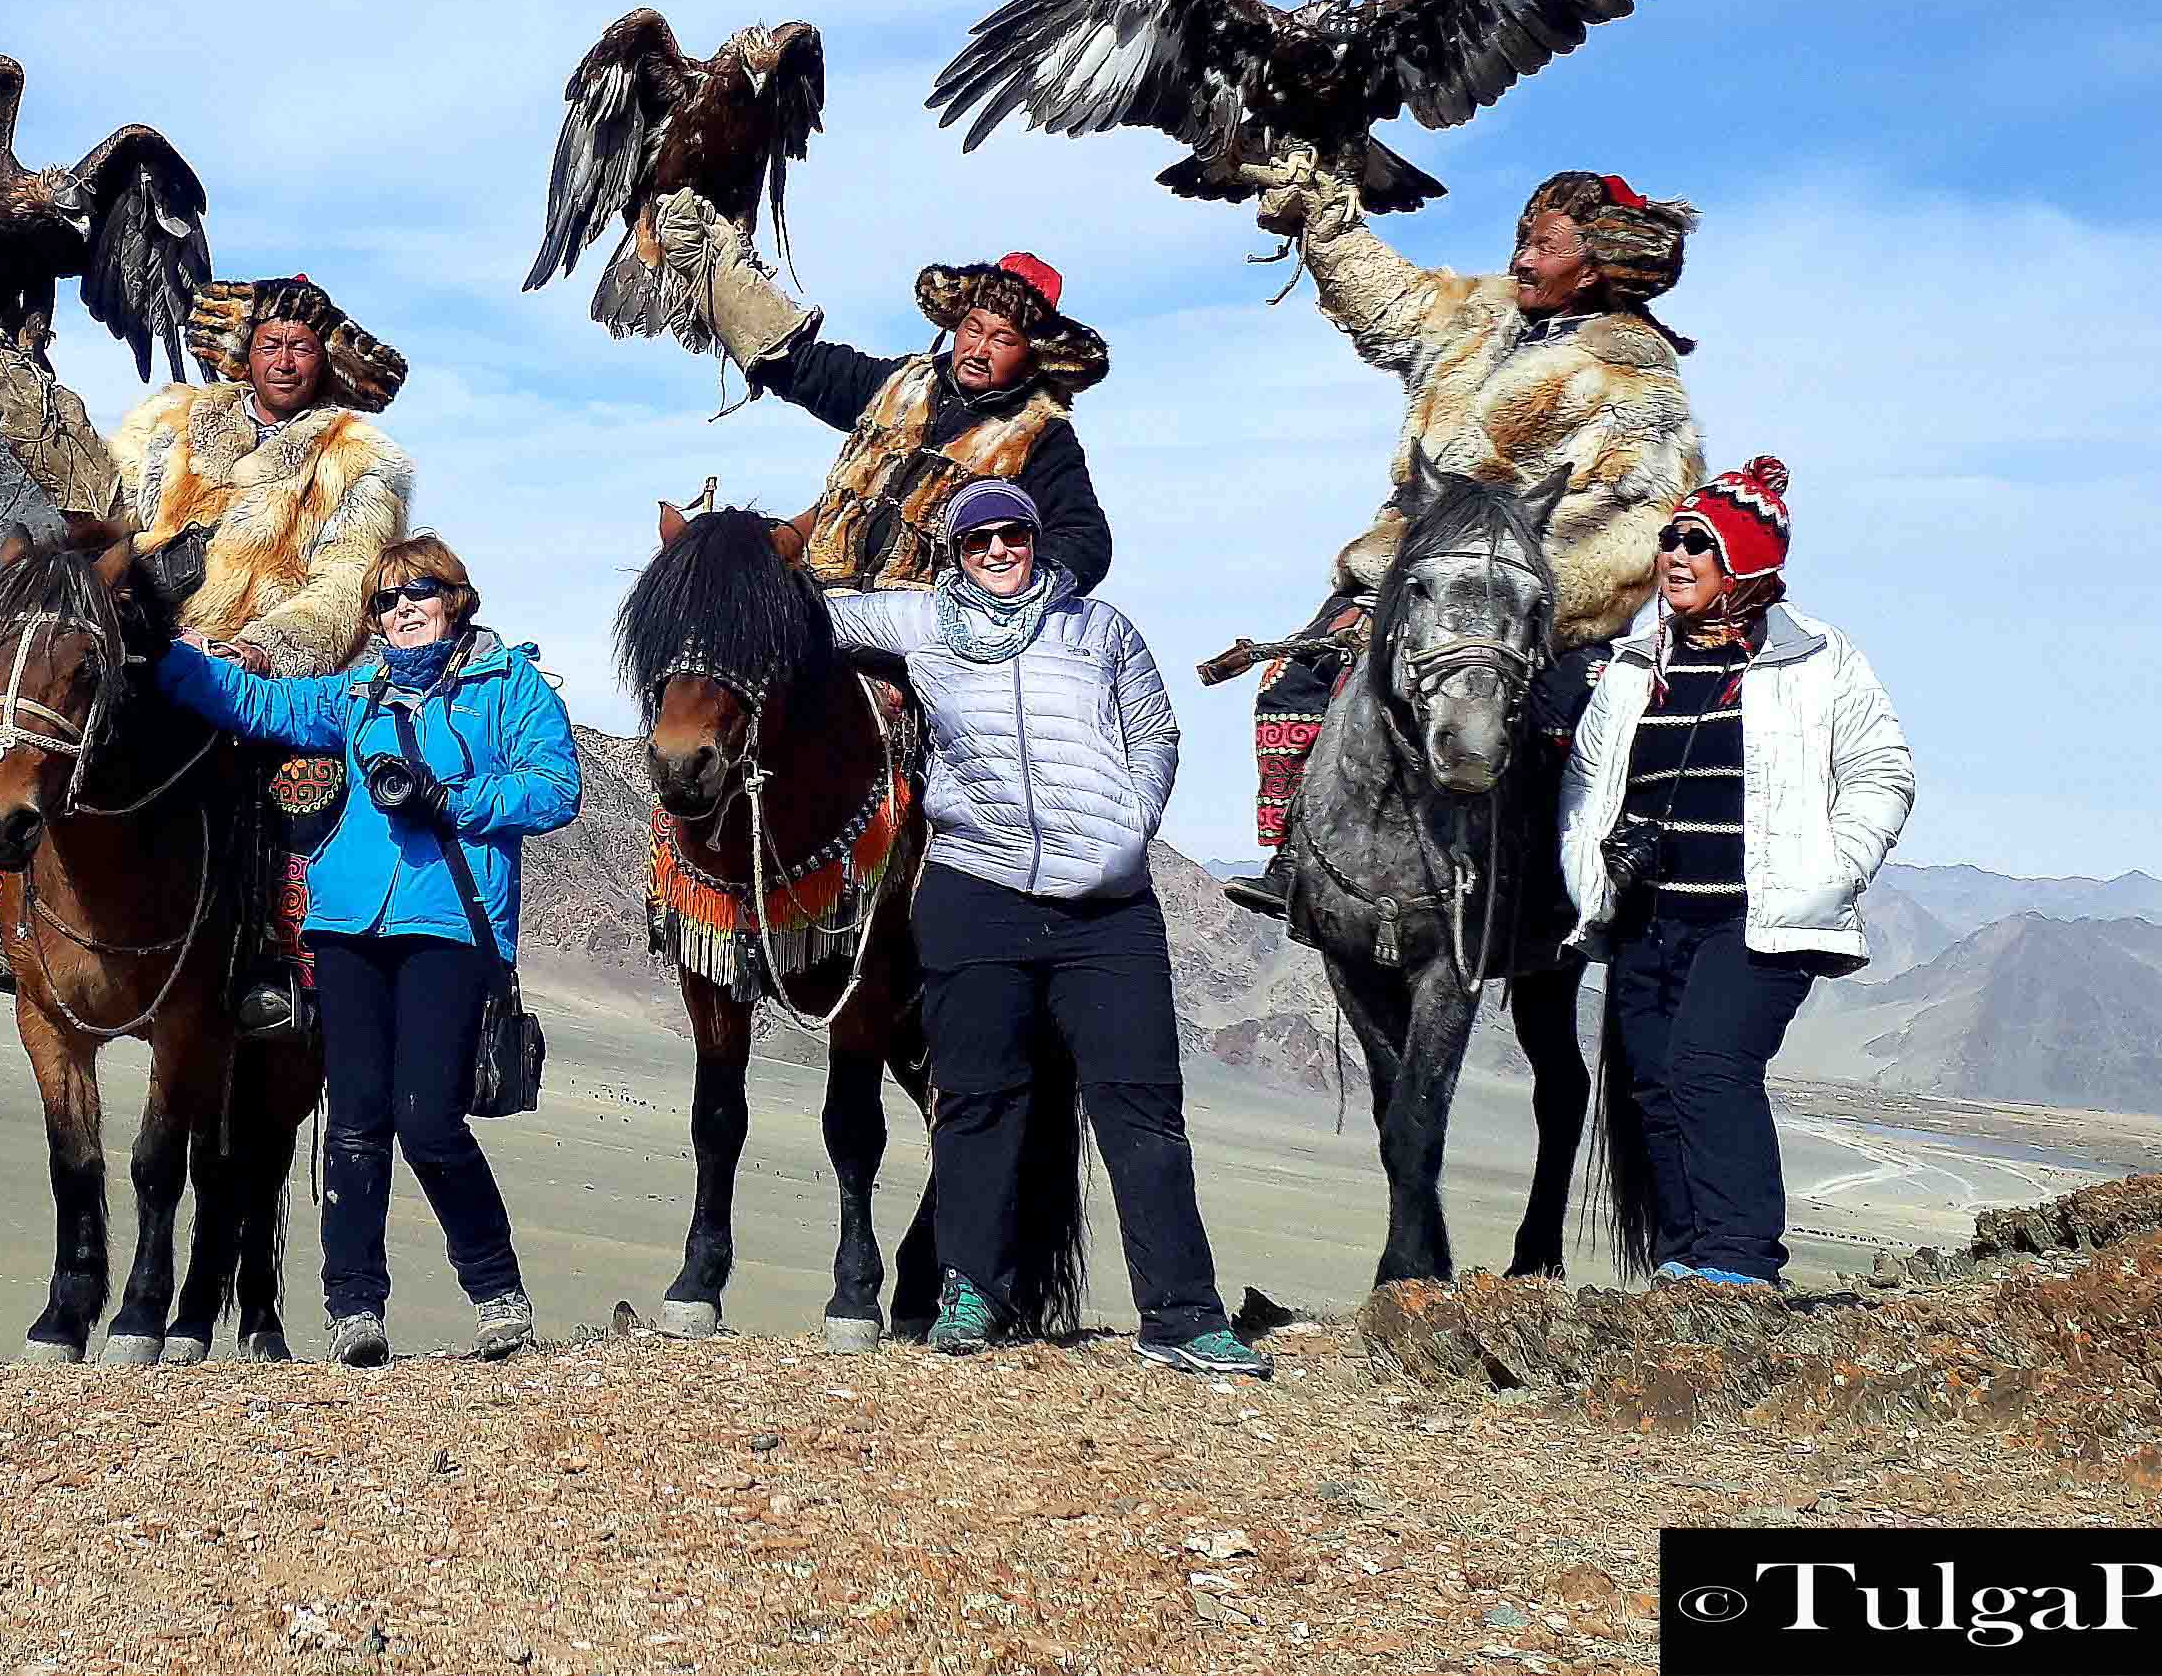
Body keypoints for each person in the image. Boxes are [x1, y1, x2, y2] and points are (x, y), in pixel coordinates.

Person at [828, 480, 1269, 1376]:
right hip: (975, 890)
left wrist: (1123, 826)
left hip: (1105, 911)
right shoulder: (921, 626)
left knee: (1140, 1106)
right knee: (980, 1101)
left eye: (1012, 533)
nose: (997, 549)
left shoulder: (1098, 629)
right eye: (978, 537)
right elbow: (813, 618)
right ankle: (971, 1296)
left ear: (1036, 540)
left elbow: (1157, 734)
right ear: (956, 552)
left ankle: (1182, 1314)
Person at [1222, 159, 1705, 918]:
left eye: (1546, 246)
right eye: (1522, 240)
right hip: (1405, 572)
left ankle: (1557, 900)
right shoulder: (1481, 318)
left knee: (1562, 728)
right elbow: (1390, 301)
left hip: (1531, 601)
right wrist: (1321, 215)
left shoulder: (1634, 382)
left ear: (1596, 265)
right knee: (1297, 679)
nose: (1523, 259)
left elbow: (1630, 524)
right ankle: (1296, 858)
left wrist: (1514, 591)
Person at [151, 534, 579, 1364]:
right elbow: (262, 706)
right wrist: (159, 651)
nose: (400, 609)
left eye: (418, 591)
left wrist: (449, 796)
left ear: (456, 598)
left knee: (427, 1121)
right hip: (346, 926)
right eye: (384, 600)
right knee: (351, 1124)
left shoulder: (510, 685)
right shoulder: (360, 691)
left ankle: (495, 1290)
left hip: (449, 926)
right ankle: (354, 1310)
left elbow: (556, 786)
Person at [0, 274, 417, 1035]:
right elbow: (108, 511)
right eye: (270, 342)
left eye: (302, 346)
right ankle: (14, 928)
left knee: (296, 784)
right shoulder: (169, 422)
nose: (285, 360)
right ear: (244, 349)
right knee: (39, 720)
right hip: (149, 642)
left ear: (324, 362)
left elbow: (347, 579)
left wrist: (259, 649)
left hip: (260, 668)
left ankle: (269, 952)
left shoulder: (359, 460)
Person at [1560, 457, 1912, 1288]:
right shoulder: (1632, 667)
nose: (1674, 558)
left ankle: (1741, 1263)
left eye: (1698, 544)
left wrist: (1836, 869)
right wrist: (1592, 876)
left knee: (1710, 1067)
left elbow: (1882, 771)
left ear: (1745, 566)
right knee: (1650, 1085)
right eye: (1670, 540)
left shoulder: (1820, 659)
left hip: (1758, 918)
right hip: (1646, 915)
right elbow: (1586, 778)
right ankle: (1684, 1260)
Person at [648, 194, 1113, 594]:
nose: (979, 349)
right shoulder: (897, 383)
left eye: (1003, 340)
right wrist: (717, 275)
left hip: (927, 621)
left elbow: (1085, 538)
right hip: (822, 594)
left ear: (1031, 355)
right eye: (973, 329)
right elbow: (795, 365)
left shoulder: (1041, 436)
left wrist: (1012, 591)